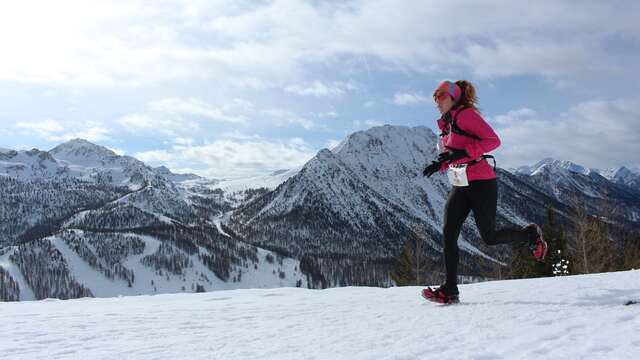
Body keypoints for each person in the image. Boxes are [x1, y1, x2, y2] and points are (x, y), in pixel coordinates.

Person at [421, 80, 548, 304]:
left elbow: (493, 141)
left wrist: (461, 153)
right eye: (435, 99)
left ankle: (530, 235)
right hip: (461, 183)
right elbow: (454, 154)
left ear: (453, 97)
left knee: (489, 237)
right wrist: (439, 164)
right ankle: (450, 289)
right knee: (449, 232)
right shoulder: (447, 124)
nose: (437, 103)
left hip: (481, 182)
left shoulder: (466, 116)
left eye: (440, 97)